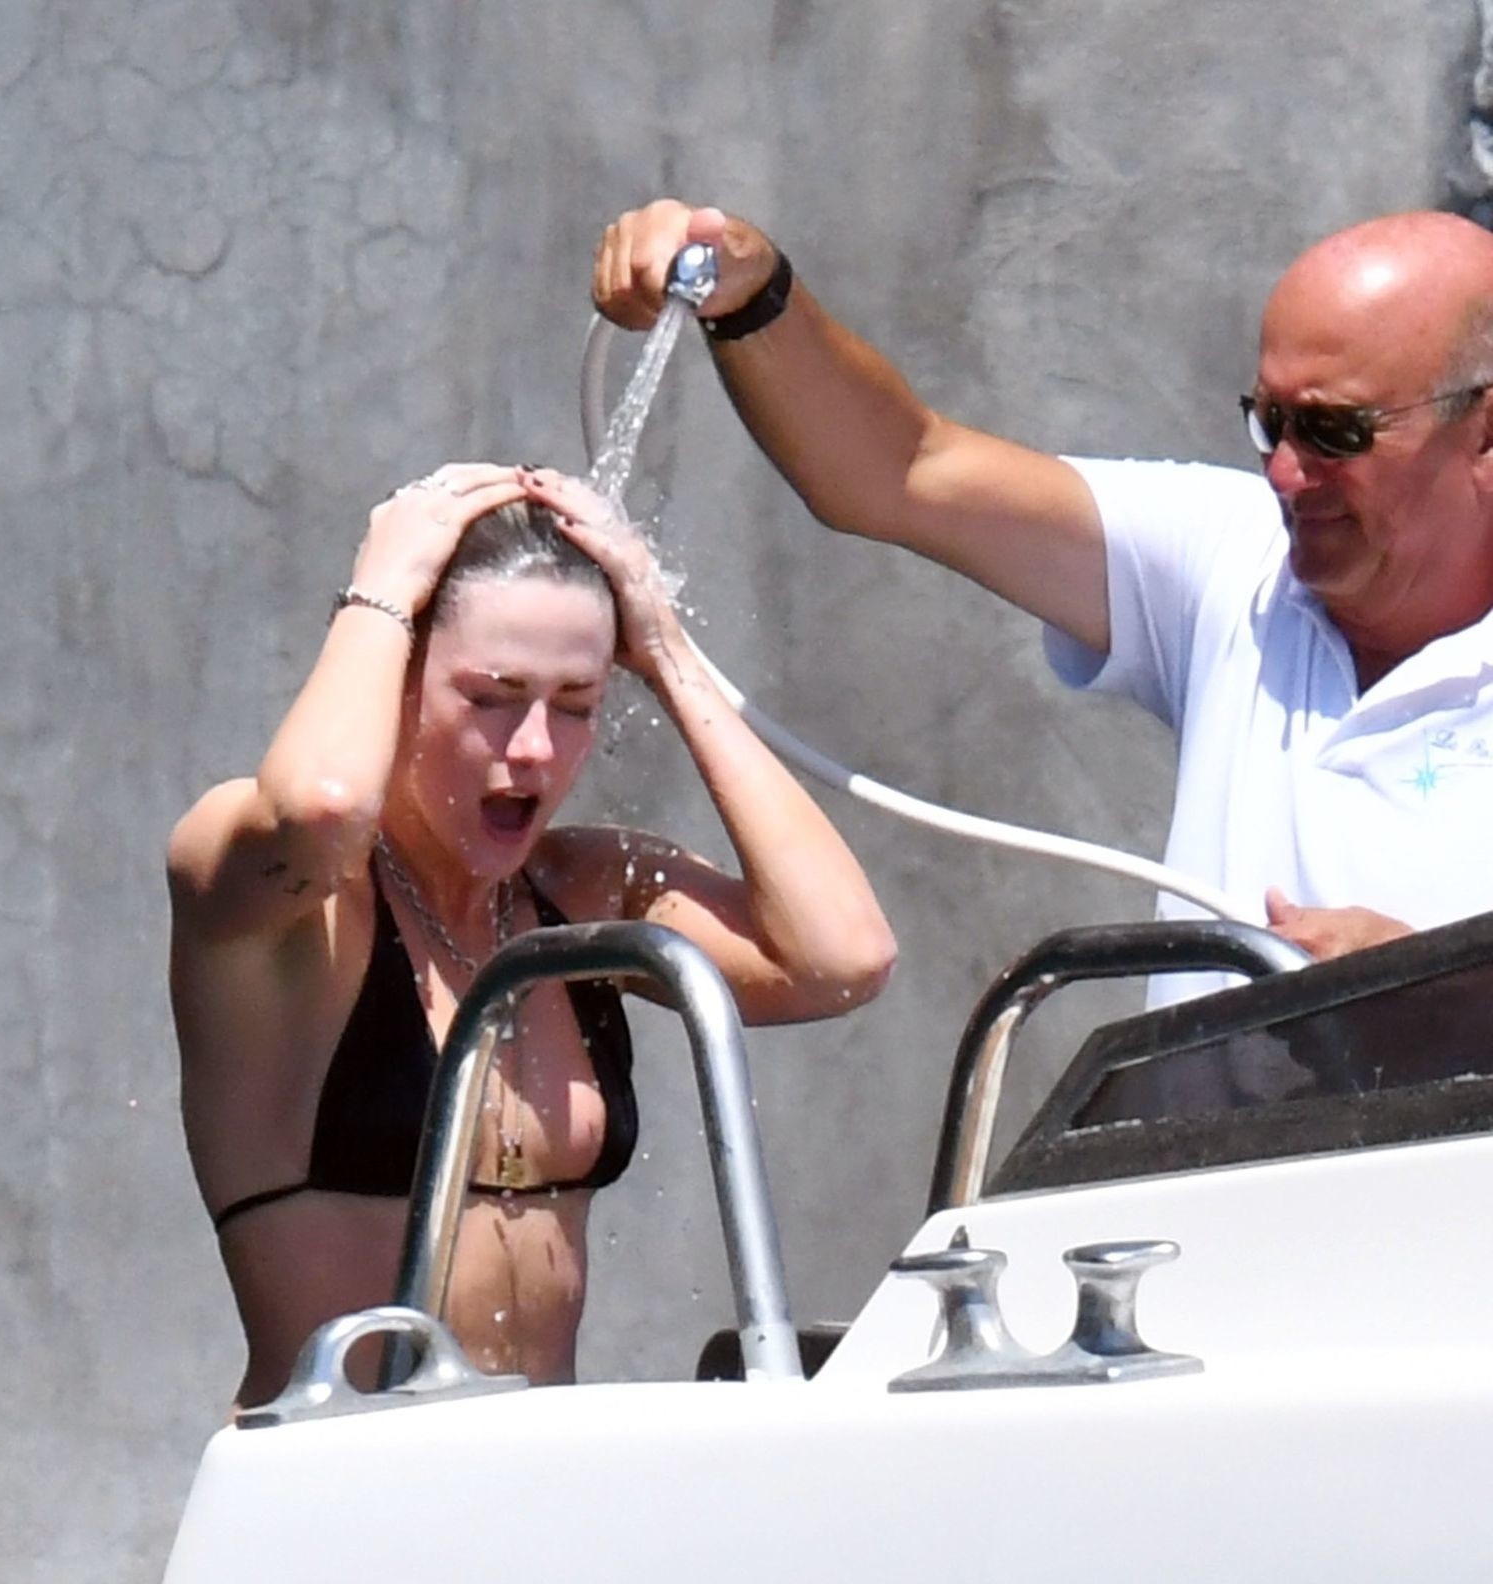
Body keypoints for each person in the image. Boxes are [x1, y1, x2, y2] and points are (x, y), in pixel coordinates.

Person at [592, 202, 1493, 999]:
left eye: (1335, 431)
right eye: (1270, 423)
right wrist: (753, 296)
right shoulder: (1237, 564)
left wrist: (1441, 996)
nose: (1286, 474)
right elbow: (901, 472)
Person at [168, 463, 896, 1408]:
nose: (535, 750)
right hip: (339, 1474)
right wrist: (381, 589)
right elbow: (324, 805)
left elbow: (841, 959)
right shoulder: (293, 904)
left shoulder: (579, 893)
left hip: (537, 1469)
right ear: (394, 677)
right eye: (491, 697)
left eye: (578, 705)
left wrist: (667, 653)